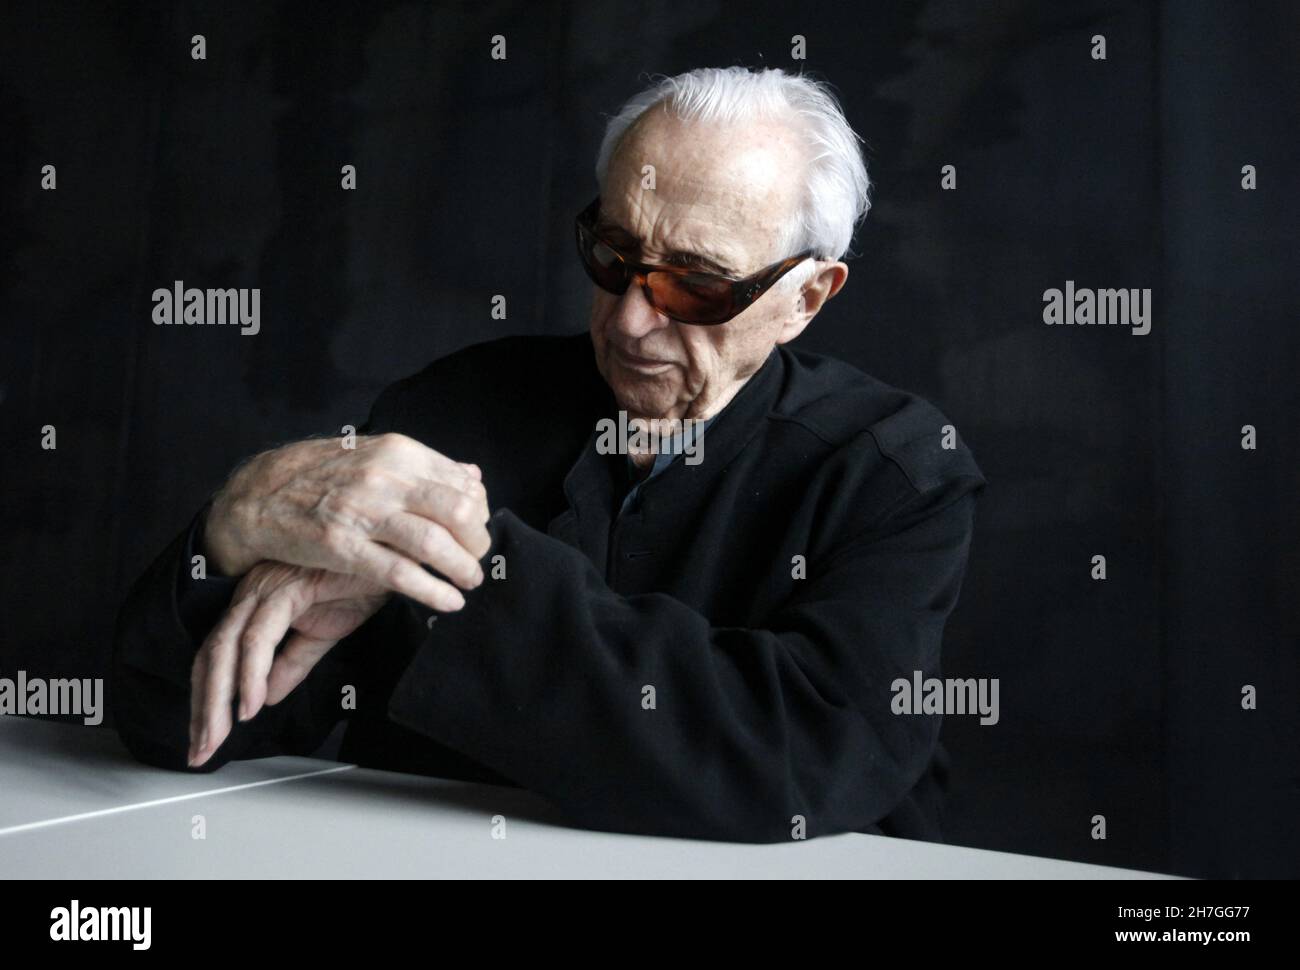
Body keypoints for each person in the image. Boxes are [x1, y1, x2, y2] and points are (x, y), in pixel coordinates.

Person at [112, 66, 986, 843]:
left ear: (808, 296)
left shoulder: (896, 470)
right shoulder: (446, 411)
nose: (633, 320)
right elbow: (184, 729)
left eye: (695, 282)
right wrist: (235, 525)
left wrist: (462, 564)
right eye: (613, 256)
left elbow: (801, 756)